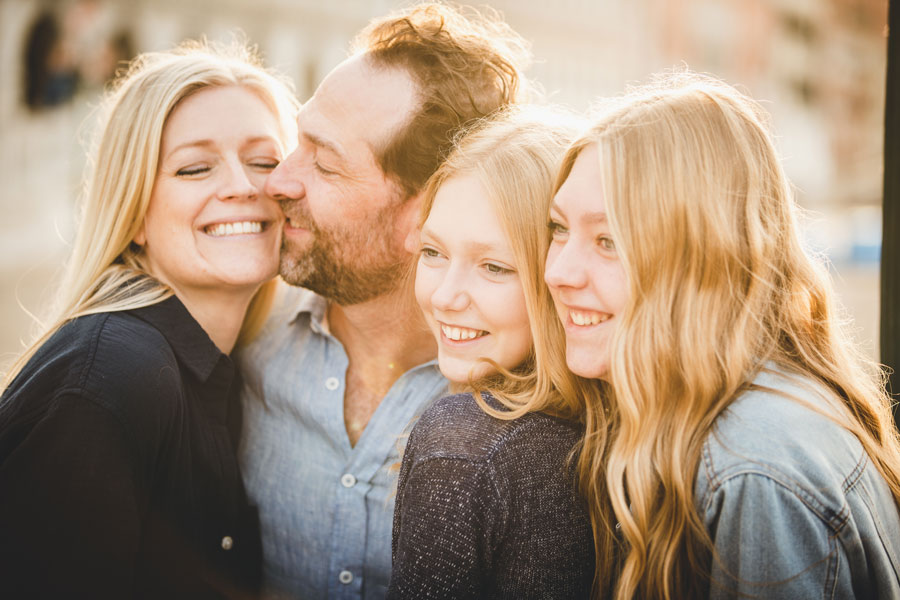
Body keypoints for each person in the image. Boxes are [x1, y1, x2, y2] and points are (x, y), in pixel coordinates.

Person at [544, 72, 900, 599]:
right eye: (558, 229)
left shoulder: (753, 471)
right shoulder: (696, 418)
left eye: (608, 239)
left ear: (701, 260)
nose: (558, 272)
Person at [237, 4, 531, 598]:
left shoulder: (524, 403)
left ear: (424, 216)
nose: (279, 182)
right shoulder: (242, 331)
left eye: (323, 162)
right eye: (298, 143)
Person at [0, 40, 298, 599]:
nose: (243, 184)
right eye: (194, 168)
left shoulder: (226, 372)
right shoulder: (114, 374)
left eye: (265, 161)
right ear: (135, 214)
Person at [386, 107, 596, 599]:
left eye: (494, 267)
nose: (444, 297)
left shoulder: (466, 446)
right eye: (433, 253)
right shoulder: (623, 437)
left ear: (559, 276)